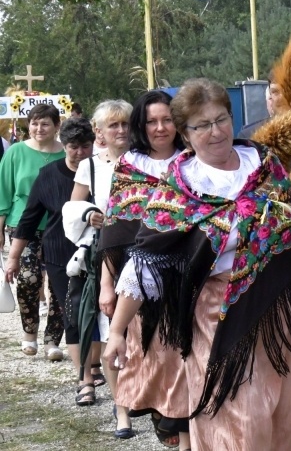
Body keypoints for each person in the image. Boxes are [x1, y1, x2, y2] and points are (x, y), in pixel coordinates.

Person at [104, 78, 291, 451]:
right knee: (240, 418)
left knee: (284, 417)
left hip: (281, 310)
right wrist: (117, 331)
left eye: (222, 119)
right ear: (185, 133)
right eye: (202, 125)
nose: (216, 132)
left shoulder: (264, 165)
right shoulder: (180, 188)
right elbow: (146, 264)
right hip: (219, 316)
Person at [95, 90, 188, 448]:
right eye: (152, 121)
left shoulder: (193, 161)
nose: (160, 127)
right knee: (151, 360)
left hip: (191, 280)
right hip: (139, 283)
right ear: (142, 125)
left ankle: (186, 432)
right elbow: (114, 232)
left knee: (183, 360)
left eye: (167, 119)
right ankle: (166, 425)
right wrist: (107, 285)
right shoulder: (130, 166)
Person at [4, 118, 95, 396]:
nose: (79, 152)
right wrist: (13, 257)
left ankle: (98, 363)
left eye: (85, 146)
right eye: (73, 147)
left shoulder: (102, 171)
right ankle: (85, 378)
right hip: (59, 252)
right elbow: (30, 218)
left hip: (98, 250)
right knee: (73, 310)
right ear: (64, 147)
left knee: (98, 310)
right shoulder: (48, 174)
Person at [70, 99, 133, 437]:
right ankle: (121, 406)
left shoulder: (146, 160)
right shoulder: (90, 167)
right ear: (99, 132)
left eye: (125, 123)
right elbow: (73, 207)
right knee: (111, 328)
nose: (121, 130)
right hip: (108, 254)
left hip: (145, 249)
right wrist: (89, 213)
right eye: (113, 125)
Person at [0, 103, 65, 360]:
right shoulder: (16, 152)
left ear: (56, 126)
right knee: (28, 278)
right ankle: (29, 332)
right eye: (35, 123)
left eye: (46, 123)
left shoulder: (66, 153)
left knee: (61, 281)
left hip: (58, 225)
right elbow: (3, 191)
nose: (39, 128)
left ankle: (53, 339)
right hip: (23, 225)